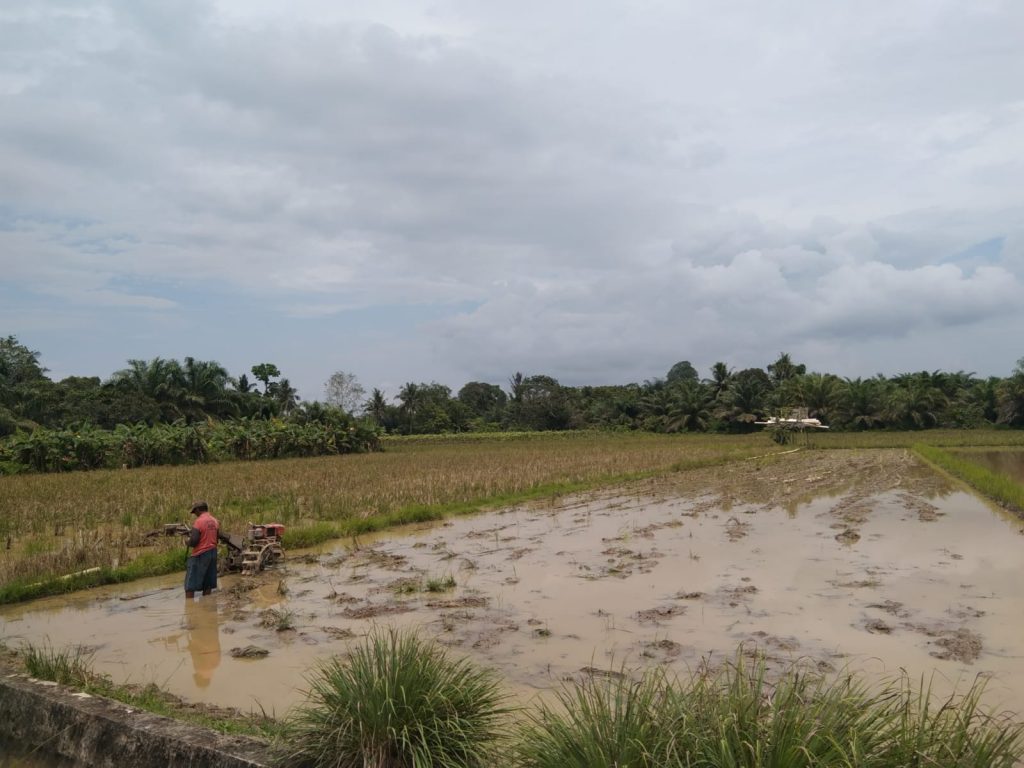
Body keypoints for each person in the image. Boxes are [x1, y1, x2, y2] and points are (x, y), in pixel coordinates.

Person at [185, 500, 220, 599]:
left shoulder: (199, 521)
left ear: (198, 510)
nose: (195, 514)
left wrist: (187, 541)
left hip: (200, 554)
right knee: (207, 583)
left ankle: (189, 606)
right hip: (213, 553)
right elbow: (216, 538)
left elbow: (194, 541)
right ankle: (206, 603)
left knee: (189, 585)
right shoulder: (215, 521)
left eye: (195, 512)